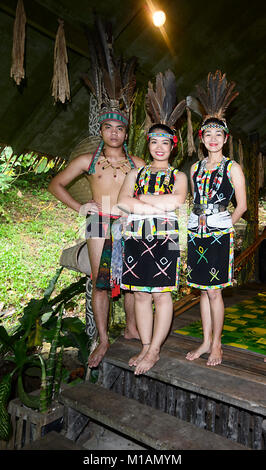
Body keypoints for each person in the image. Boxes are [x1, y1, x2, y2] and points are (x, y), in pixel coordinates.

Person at [48, 20, 144, 368]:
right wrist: (79, 205)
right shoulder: (88, 160)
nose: (115, 133)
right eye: (109, 127)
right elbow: (55, 184)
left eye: (120, 127)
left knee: (132, 283)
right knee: (99, 282)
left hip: (127, 222)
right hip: (96, 221)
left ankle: (132, 329)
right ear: (100, 129)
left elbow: (153, 190)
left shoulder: (137, 161)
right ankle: (103, 340)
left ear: (125, 131)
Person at [118, 70, 188, 375]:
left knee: (161, 293)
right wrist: (155, 205)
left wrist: (141, 203)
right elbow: (122, 201)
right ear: (148, 143)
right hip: (136, 236)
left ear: (173, 146)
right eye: (154, 141)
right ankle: (145, 345)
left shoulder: (179, 176)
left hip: (166, 236)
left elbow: (176, 202)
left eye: (165, 142)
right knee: (140, 293)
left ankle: (156, 348)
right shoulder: (136, 174)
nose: (159, 147)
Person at [186, 70, 247, 366]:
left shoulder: (233, 167)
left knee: (214, 292)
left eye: (218, 134)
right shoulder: (195, 168)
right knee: (202, 290)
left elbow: (243, 206)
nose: (213, 139)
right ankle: (204, 341)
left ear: (225, 138)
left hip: (219, 234)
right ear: (202, 137)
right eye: (207, 134)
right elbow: (195, 201)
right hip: (196, 234)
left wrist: (224, 225)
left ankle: (217, 344)